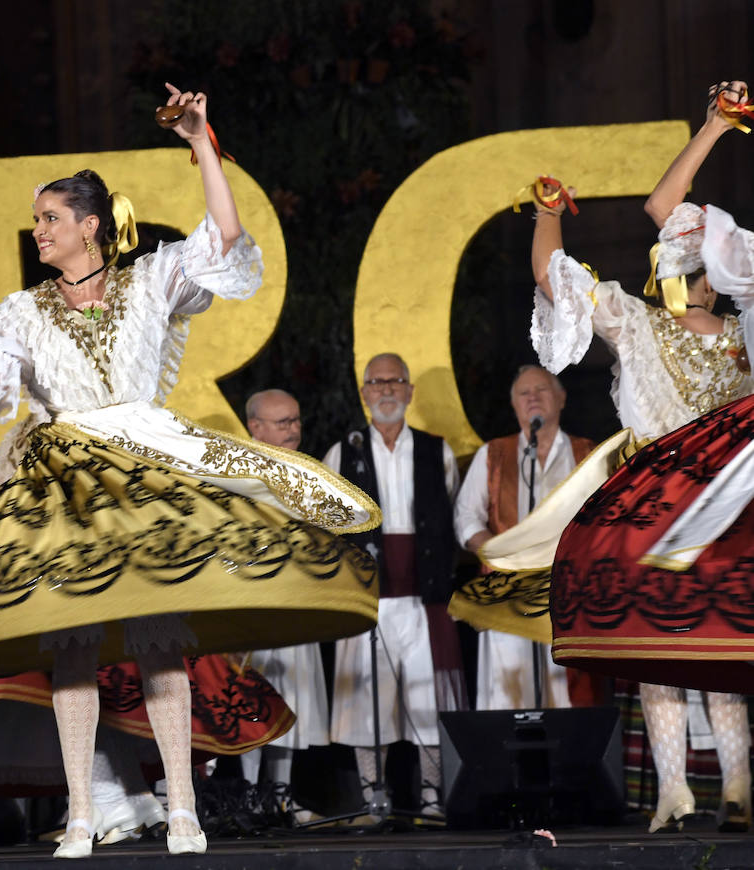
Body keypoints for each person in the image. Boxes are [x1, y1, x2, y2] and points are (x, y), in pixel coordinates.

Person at [0, 83, 380, 858]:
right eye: (37, 219)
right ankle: (81, 811)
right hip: (68, 481)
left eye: (50, 218)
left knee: (157, 638)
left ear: (89, 226)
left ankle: (183, 805)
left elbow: (223, 235)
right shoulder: (20, 310)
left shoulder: (151, 281)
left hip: (146, 467)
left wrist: (201, 138)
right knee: (71, 642)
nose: (38, 230)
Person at [530, 81, 753, 832]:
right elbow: (564, 274)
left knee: (696, 648)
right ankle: (688, 789)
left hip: (697, 500)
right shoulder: (658, 322)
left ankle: (718, 787)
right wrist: (547, 215)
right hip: (687, 504)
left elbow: (660, 214)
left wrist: (547, 214)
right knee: (679, 647)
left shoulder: (731, 326)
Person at [0, 436, 295, 844]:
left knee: (95, 671)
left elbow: (26, 489)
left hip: (119, 572)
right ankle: (121, 800)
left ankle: (158, 802)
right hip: (72, 584)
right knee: (57, 677)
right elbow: (15, 489)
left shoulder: (103, 437)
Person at [322, 352, 461, 819]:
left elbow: (450, 518)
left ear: (409, 392)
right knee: (368, 701)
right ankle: (372, 795)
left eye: (395, 381)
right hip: (368, 598)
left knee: (426, 699)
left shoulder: (435, 449)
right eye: (377, 383)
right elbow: (326, 527)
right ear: (363, 394)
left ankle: (430, 795)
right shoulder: (343, 452)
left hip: (423, 596)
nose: (386, 391)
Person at [451, 365, 595, 710]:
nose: (532, 397)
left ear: (561, 398)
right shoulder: (494, 454)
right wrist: (500, 553)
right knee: (509, 699)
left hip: (568, 593)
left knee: (566, 701)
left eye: (541, 390)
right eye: (523, 393)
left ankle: (566, 764)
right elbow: (465, 516)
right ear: (514, 405)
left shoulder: (586, 454)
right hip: (508, 592)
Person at [240, 389, 327, 817]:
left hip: (297, 604)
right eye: (282, 422)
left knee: (292, 701)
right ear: (255, 427)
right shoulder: (236, 476)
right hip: (253, 607)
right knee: (252, 701)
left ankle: (280, 793)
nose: (293, 430)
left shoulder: (313, 473)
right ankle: (250, 794)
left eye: (295, 421)